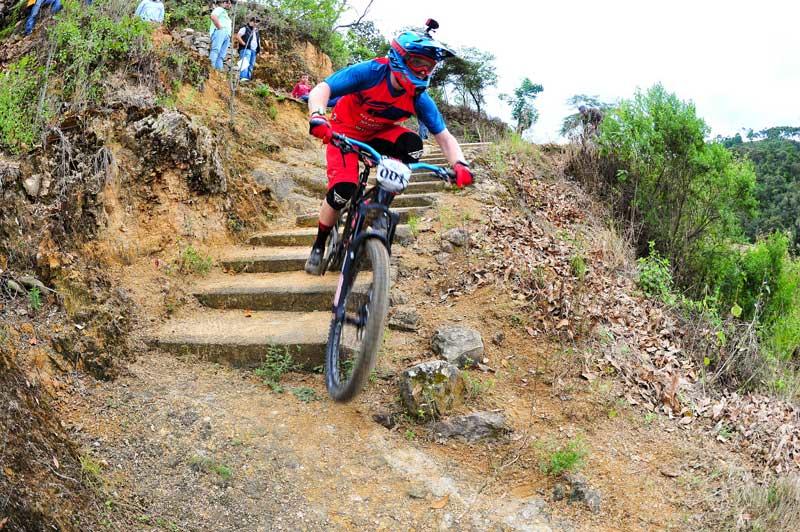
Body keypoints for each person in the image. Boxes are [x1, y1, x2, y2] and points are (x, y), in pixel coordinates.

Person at [303, 24, 474, 275]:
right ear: (399, 57)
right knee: (342, 189)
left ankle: (380, 205)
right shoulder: (371, 72)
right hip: (344, 132)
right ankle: (319, 244)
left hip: (380, 135)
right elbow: (322, 89)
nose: (424, 70)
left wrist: (460, 165)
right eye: (417, 62)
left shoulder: (419, 97)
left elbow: (444, 136)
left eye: (430, 66)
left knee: (413, 146)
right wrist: (318, 115)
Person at [208, 0, 233, 71]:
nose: (230, 5)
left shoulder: (224, 13)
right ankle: (211, 70)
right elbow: (213, 16)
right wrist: (220, 27)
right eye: (228, 3)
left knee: (221, 55)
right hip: (221, 32)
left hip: (226, 35)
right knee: (216, 50)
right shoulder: (219, 9)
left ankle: (218, 73)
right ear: (225, 3)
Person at [234, 16, 260, 82]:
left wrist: (258, 49)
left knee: (251, 64)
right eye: (254, 22)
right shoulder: (245, 28)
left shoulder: (256, 31)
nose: (255, 23)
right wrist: (243, 44)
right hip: (246, 49)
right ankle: (242, 77)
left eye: (257, 22)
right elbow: (238, 36)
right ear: (250, 22)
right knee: (244, 62)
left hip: (254, 50)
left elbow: (257, 41)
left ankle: (247, 78)